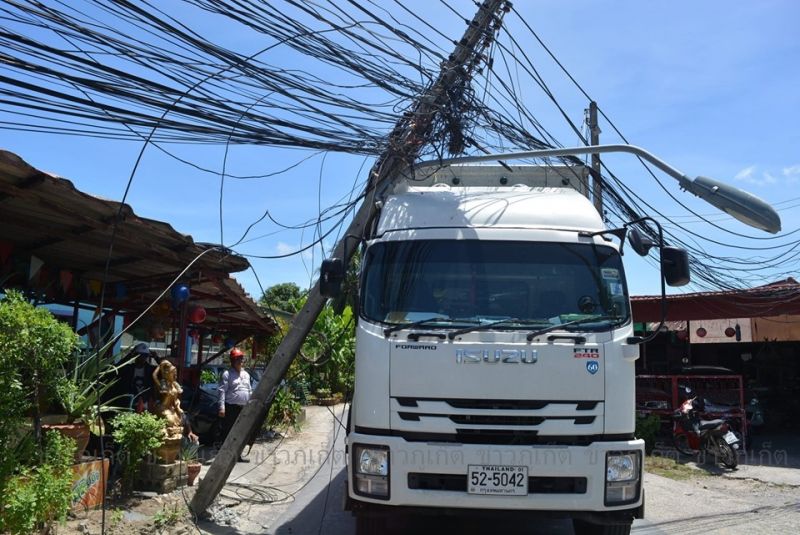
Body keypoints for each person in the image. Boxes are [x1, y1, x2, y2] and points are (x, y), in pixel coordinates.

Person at [218, 347, 253, 462]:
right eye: (238, 359)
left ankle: (237, 455)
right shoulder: (227, 374)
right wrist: (222, 407)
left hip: (244, 408)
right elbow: (222, 391)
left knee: (241, 433)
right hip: (231, 407)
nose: (240, 361)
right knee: (228, 432)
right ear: (232, 361)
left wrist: (251, 405)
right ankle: (225, 456)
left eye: (241, 359)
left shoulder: (246, 375)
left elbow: (249, 390)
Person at [122, 342, 157, 412]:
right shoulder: (129, 368)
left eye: (145, 355)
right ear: (135, 356)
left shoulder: (151, 369)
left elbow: (165, 368)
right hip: (130, 400)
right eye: (139, 355)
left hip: (146, 401)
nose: (142, 358)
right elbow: (119, 366)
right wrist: (129, 355)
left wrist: (156, 357)